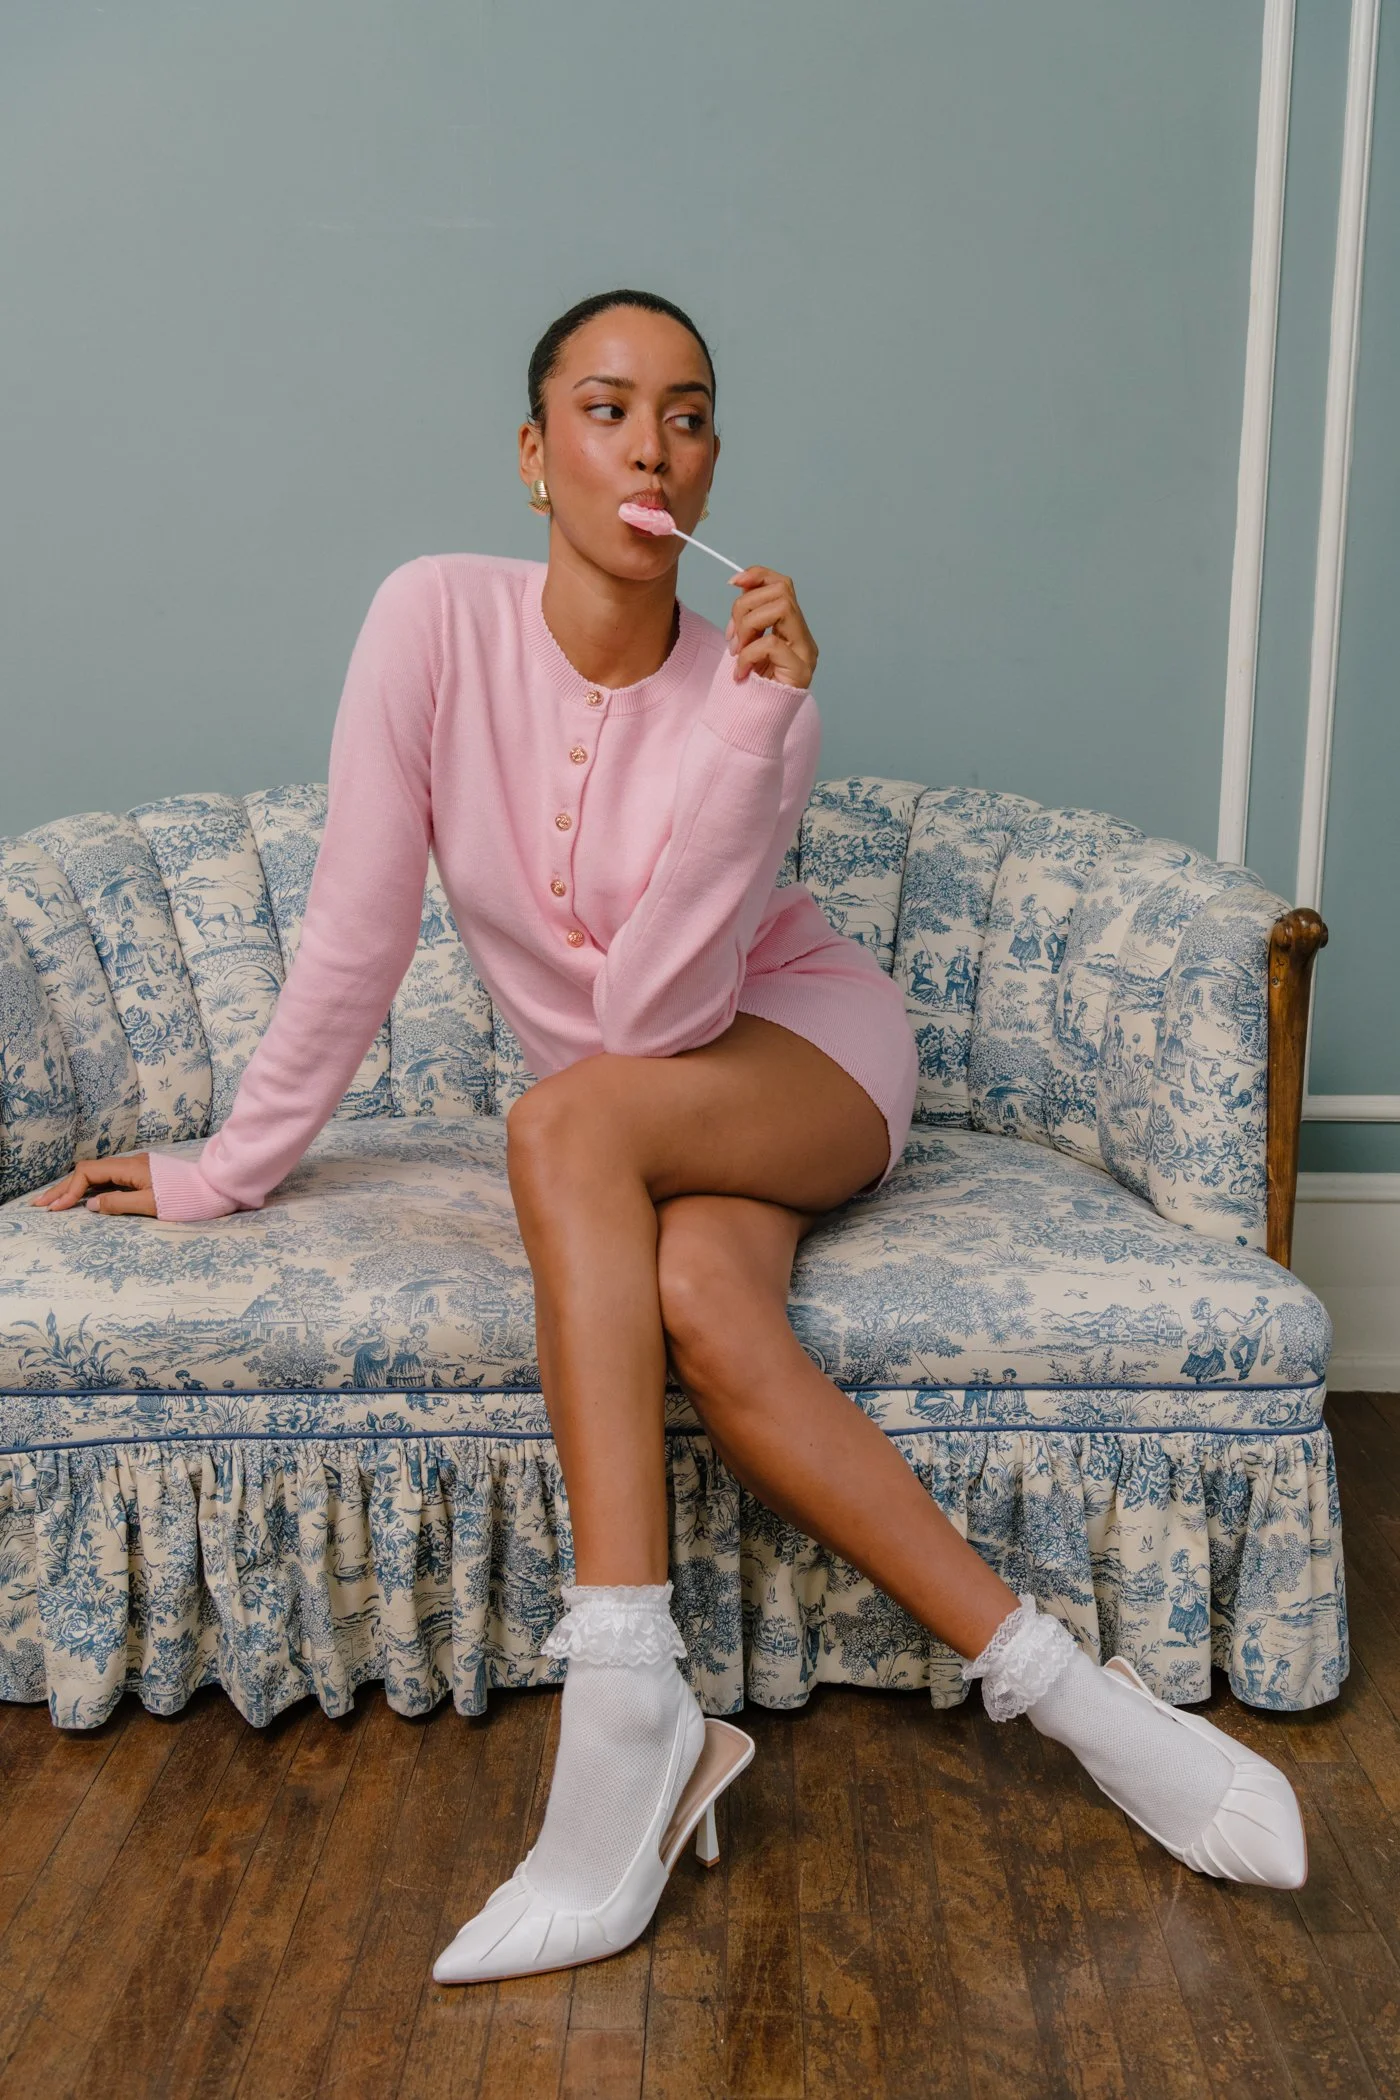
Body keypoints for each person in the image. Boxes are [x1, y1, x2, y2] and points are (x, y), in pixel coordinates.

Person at [31, 288, 1307, 1983]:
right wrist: (222, 1169)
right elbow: (349, 935)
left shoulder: (754, 695)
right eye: (609, 409)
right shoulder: (429, 622)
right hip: (642, 1108)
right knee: (706, 1305)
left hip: (795, 1056)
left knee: (563, 1114)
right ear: (533, 453)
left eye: (689, 416)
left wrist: (755, 735)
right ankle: (1077, 1701)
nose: (651, 447)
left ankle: (622, 1692)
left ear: (709, 467)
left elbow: (652, 1018)